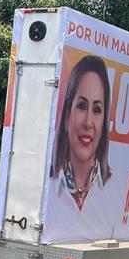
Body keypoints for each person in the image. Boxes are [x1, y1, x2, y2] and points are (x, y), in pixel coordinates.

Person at [50, 55, 112, 211]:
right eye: (82, 106)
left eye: (97, 109)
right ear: (66, 116)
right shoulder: (49, 181)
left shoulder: (113, 187)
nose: (88, 123)